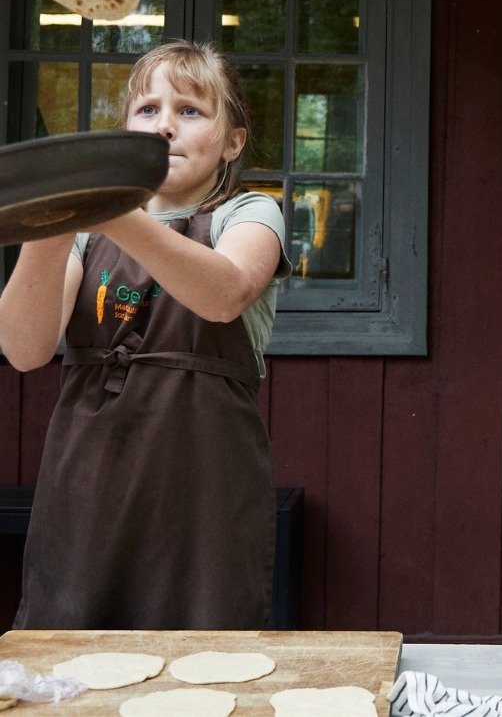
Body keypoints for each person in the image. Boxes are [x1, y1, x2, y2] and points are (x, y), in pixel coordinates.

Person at [0, 40, 292, 630]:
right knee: (73, 655)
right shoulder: (86, 233)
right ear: (126, 132)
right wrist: (49, 221)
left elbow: (224, 293)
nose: (165, 126)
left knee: (203, 658)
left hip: (203, 495)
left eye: (190, 110)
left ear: (233, 142)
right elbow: (25, 349)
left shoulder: (250, 214)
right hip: (87, 487)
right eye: (147, 110)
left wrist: (112, 208)